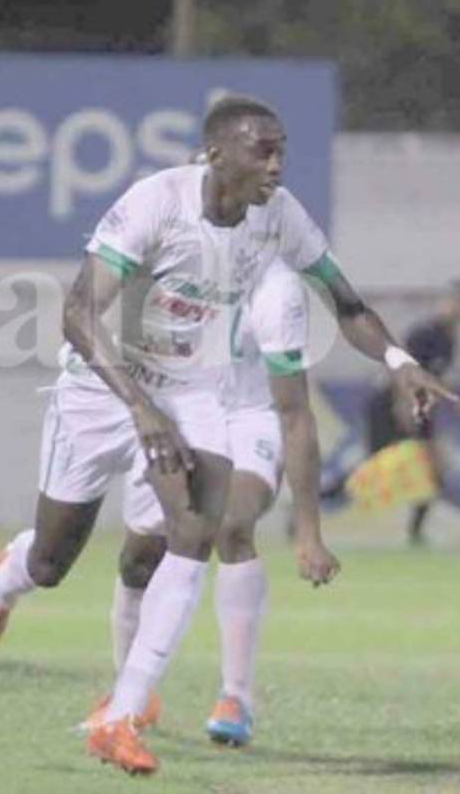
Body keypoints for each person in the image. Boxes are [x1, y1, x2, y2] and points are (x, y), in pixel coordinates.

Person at [0, 95, 453, 775]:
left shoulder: (277, 215)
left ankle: (120, 713)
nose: (276, 166)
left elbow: (344, 303)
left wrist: (399, 362)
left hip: (190, 387)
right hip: (102, 386)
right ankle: (9, 574)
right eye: (263, 151)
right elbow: (77, 314)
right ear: (216, 154)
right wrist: (140, 410)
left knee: (196, 529)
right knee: (53, 562)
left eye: (281, 150)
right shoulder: (155, 203)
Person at [80, 260, 335, 748]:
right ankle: (130, 692)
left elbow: (294, 411)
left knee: (232, 525)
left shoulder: (276, 290)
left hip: (249, 417)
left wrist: (308, 530)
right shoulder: (177, 256)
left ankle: (235, 696)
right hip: (180, 409)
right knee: (139, 557)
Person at [364, 279, 460, 544]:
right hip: (390, 406)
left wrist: (455, 402)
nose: (458, 308)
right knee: (370, 470)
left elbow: (433, 377)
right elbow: (401, 370)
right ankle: (304, 511)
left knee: (435, 469)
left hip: (419, 407)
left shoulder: (449, 340)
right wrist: (402, 406)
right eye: (454, 301)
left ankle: (415, 531)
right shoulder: (423, 333)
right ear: (442, 303)